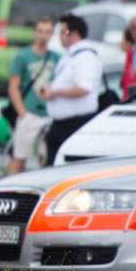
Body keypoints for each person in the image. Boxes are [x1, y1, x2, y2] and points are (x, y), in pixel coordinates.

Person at [39, 14, 103, 165]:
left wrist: (55, 93)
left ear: (73, 34)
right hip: (60, 123)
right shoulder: (70, 56)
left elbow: (84, 88)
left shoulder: (85, 57)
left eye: (62, 32)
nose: (60, 37)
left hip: (75, 123)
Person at [5, 18, 59, 174]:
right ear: (34, 33)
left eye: (48, 32)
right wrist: (22, 112)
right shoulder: (23, 56)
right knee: (19, 156)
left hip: (49, 114)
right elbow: (13, 86)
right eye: (40, 31)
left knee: (46, 158)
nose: (44, 36)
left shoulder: (56, 58)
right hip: (30, 112)